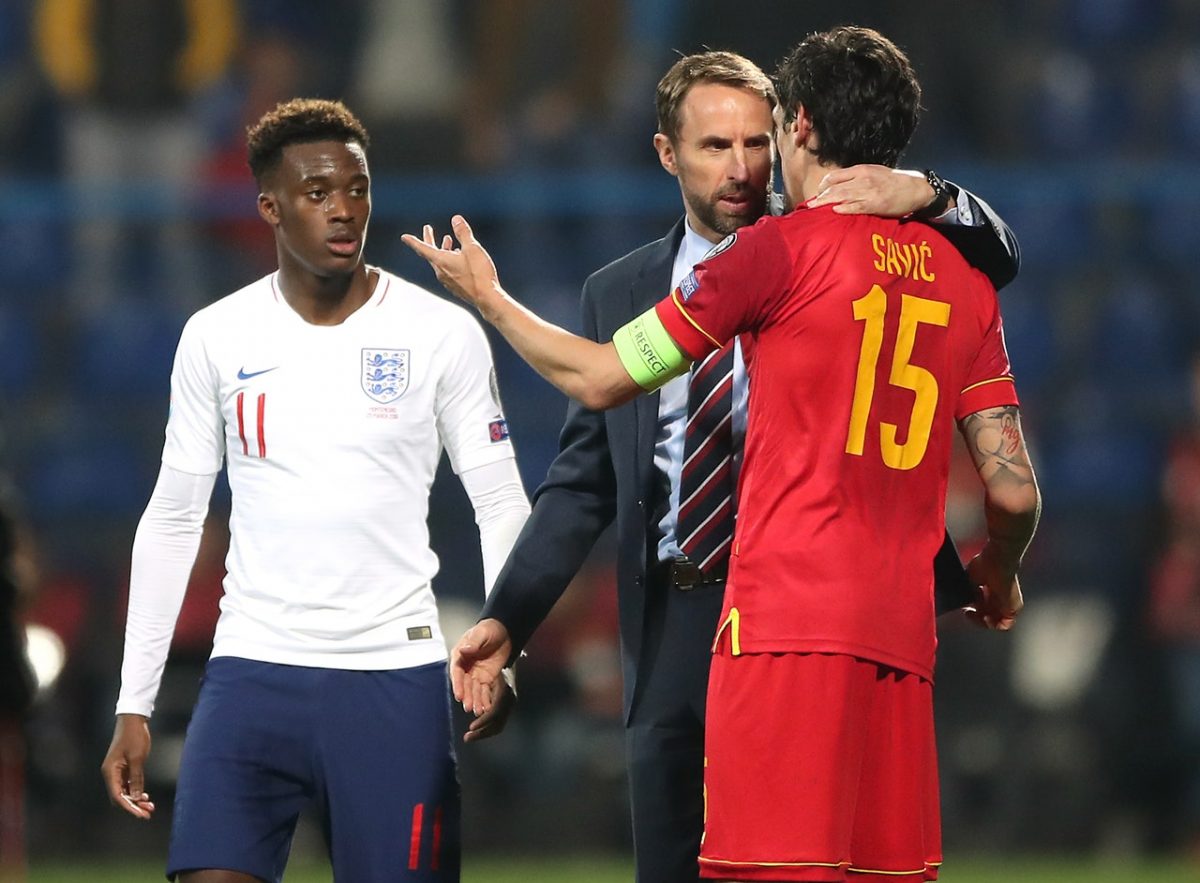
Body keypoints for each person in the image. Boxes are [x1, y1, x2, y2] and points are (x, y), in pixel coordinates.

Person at [404, 25, 1041, 882]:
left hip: (775, 624)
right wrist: (999, 569)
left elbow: (598, 376)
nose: (743, 166)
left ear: (795, 126)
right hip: (858, 628)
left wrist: (489, 297)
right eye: (716, 145)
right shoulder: (963, 280)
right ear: (668, 153)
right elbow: (1014, 493)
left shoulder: (775, 254)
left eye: (758, 140)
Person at [100, 98, 530, 883]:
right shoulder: (216, 336)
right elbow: (173, 518)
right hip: (251, 673)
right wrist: (137, 700)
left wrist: (507, 652)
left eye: (357, 189)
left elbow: (502, 502)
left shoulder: (440, 333)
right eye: (318, 192)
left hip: (393, 678)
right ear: (270, 207)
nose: (344, 209)